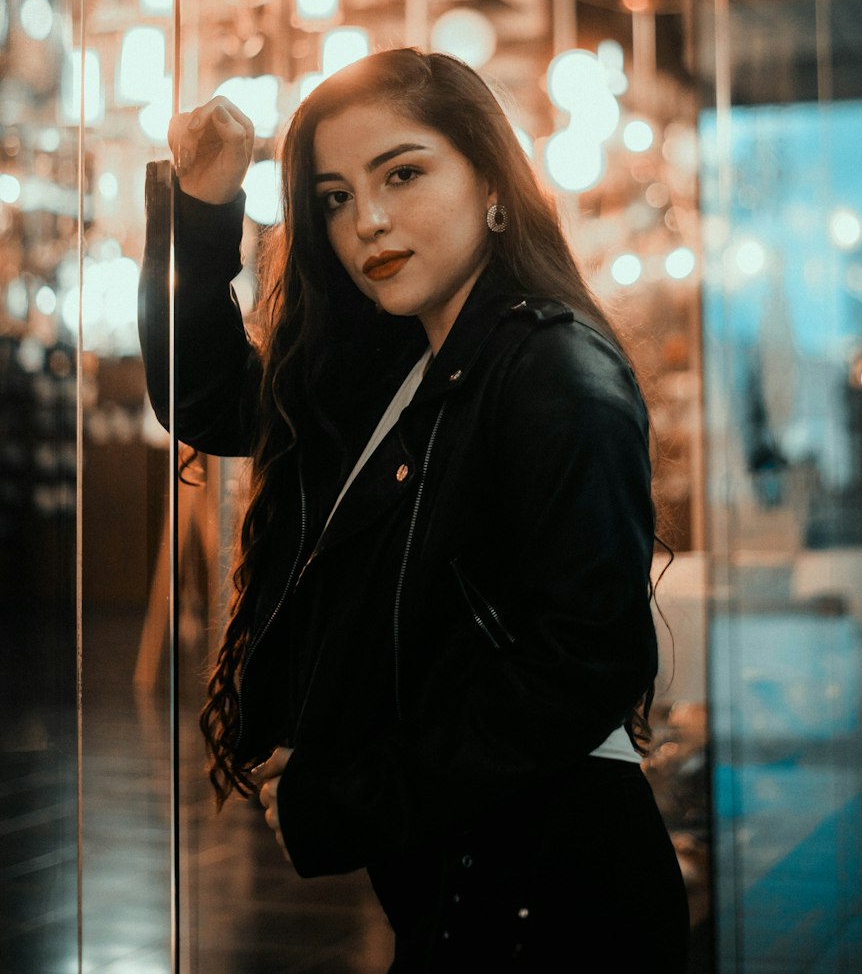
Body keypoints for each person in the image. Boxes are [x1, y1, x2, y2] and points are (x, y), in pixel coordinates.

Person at [139, 47, 689, 972]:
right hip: (466, 883)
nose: (369, 222)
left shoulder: (554, 374)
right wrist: (198, 211)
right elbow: (209, 401)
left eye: (402, 173)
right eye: (336, 198)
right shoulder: (405, 368)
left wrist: (355, 794)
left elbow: (585, 663)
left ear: (493, 185)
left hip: (554, 903)